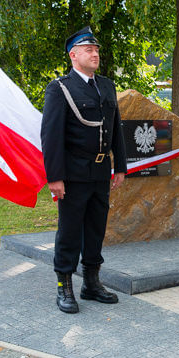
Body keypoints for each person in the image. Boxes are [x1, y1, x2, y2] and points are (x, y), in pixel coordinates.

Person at [41, 26, 127, 314]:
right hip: (74, 173)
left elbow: (116, 130)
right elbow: (51, 136)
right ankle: (63, 285)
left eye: (97, 50)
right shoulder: (60, 88)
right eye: (89, 49)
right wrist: (54, 176)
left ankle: (91, 283)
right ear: (73, 55)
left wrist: (121, 167)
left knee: (95, 229)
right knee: (69, 231)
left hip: (101, 172)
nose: (95, 54)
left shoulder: (107, 86)